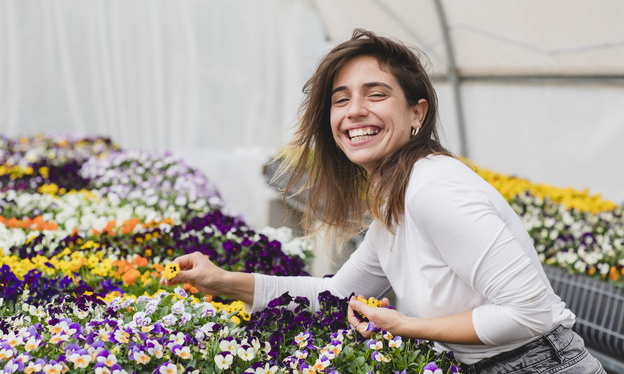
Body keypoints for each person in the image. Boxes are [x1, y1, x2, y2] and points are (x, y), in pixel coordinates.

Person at [161, 29, 605, 373]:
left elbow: (527, 313)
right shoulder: (396, 201)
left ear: (418, 113)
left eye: (376, 94)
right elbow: (335, 295)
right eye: (341, 100)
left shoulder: (435, 189)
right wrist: (222, 281)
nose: (355, 111)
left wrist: (407, 326)